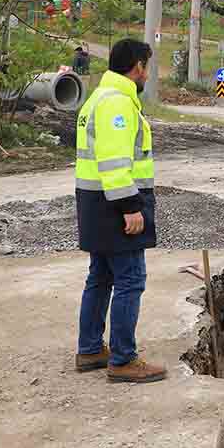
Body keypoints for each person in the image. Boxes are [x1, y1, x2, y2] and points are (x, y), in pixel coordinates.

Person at [73, 38, 165, 384]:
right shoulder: (117, 104)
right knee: (130, 279)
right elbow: (114, 163)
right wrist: (130, 207)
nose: (147, 74)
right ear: (138, 66)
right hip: (115, 205)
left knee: (100, 277)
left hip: (95, 203)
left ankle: (90, 349)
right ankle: (123, 359)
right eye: (147, 67)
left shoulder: (99, 97)